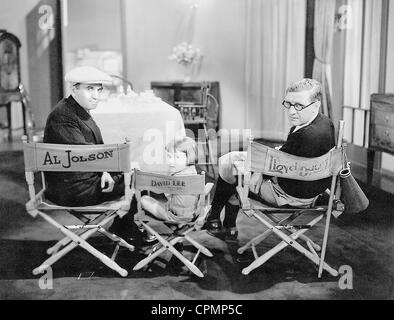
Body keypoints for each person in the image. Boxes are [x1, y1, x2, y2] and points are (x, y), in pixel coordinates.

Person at [204, 78, 336, 241]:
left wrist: (260, 172)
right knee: (232, 161)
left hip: (289, 195)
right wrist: (261, 167)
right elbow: (291, 156)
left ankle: (215, 218)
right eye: (288, 104)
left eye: (299, 105)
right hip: (310, 187)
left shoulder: (306, 135)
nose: (292, 111)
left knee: (230, 171)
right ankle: (226, 224)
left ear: (316, 105)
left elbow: (280, 164)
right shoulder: (326, 123)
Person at [43, 65, 152, 245]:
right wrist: (117, 166)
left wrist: (105, 171)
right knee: (137, 178)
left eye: (99, 90)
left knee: (135, 173)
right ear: (74, 89)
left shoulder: (74, 110)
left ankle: (125, 227)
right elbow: (82, 153)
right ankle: (128, 230)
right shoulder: (64, 116)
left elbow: (85, 153)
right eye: (89, 89)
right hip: (73, 190)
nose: (96, 95)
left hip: (80, 181)